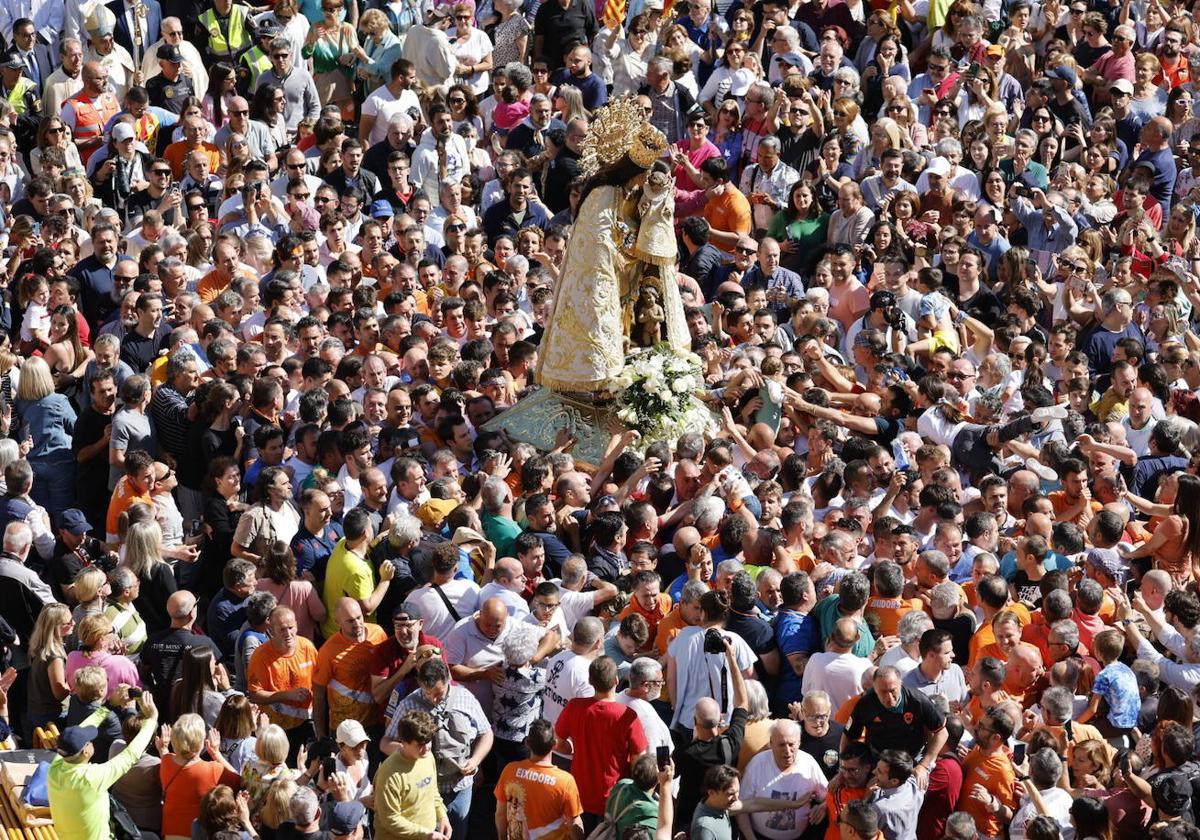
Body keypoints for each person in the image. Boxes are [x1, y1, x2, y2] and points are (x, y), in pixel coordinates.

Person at [537, 97, 687, 393]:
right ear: (630, 169)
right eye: (642, 173)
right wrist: (627, 250)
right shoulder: (604, 193)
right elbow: (598, 244)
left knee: (632, 322)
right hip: (606, 273)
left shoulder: (631, 190)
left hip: (629, 271)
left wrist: (657, 203)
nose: (645, 178)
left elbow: (646, 226)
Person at [47, 694, 158, 840]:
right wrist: (152, 719)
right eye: (89, 741)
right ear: (86, 752)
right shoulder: (91, 779)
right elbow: (130, 755)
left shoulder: (55, 767)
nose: (93, 741)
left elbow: (80, 730)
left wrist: (109, 706)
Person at [375, 709, 453, 840]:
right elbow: (390, 820)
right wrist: (426, 834)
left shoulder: (427, 757)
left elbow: (432, 792)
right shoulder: (389, 775)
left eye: (428, 741)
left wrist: (442, 816)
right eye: (420, 745)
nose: (427, 748)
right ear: (404, 742)